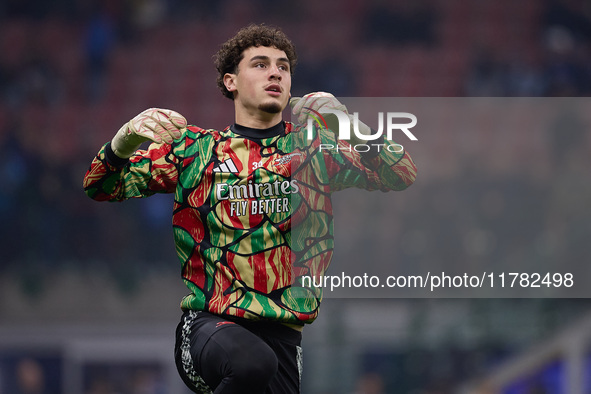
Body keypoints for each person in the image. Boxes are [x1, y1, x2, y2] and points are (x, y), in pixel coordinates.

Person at [83, 24, 417, 394]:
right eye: (260, 64)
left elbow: (401, 173)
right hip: (208, 330)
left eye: (283, 67)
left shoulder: (315, 150)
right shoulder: (196, 151)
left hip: (285, 343)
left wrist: (349, 125)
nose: (275, 72)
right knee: (252, 362)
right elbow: (100, 186)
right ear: (231, 82)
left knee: (261, 363)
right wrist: (124, 139)